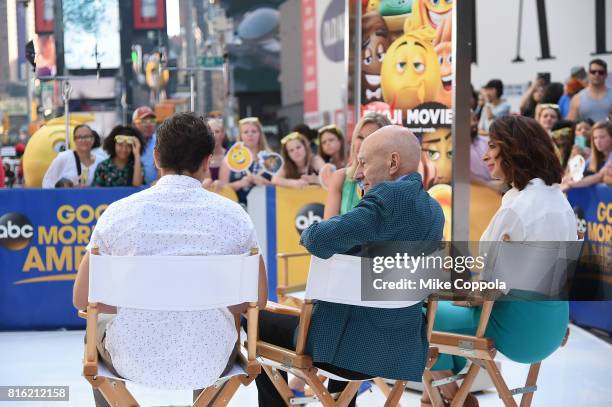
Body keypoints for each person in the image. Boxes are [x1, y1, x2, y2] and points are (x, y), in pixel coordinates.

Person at [73, 113, 268, 406]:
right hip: (210, 361)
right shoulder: (235, 217)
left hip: (130, 358)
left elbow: (82, 298)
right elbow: (257, 300)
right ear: (207, 161)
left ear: (155, 157)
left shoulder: (117, 214)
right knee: (211, 324)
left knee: (93, 336)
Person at [253, 125, 444, 407]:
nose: (356, 174)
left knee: (257, 321)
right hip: (400, 348)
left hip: (349, 350)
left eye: (363, 162)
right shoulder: (434, 212)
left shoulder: (385, 200)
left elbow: (316, 239)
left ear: (392, 162)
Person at [423, 115, 577, 407]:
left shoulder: (518, 208)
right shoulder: (559, 201)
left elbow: (487, 288)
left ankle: (450, 394)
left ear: (514, 148)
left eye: (492, 145)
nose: (484, 155)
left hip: (513, 329)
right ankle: (444, 397)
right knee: (439, 309)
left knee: (418, 315)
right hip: (552, 325)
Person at [324, 112, 391, 219]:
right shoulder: (340, 178)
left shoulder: (394, 181)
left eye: (370, 137)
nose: (363, 143)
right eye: (360, 137)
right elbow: (327, 230)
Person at [219, 117, 271, 205]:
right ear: (241, 136)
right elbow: (222, 189)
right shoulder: (229, 159)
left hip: (266, 209)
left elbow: (280, 187)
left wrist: (264, 182)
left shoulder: (270, 158)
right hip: (237, 209)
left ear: (260, 134)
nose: (250, 134)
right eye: (246, 132)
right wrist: (240, 183)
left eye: (254, 131)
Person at [562, 121, 612, 191]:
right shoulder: (593, 157)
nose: (598, 141)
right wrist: (573, 157)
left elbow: (599, 177)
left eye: (602, 137)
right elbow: (573, 173)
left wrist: (571, 184)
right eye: (595, 138)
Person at [132, 106, 158, 185]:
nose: (148, 124)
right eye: (144, 121)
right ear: (134, 124)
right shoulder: (126, 144)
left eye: (152, 120)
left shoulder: (161, 142)